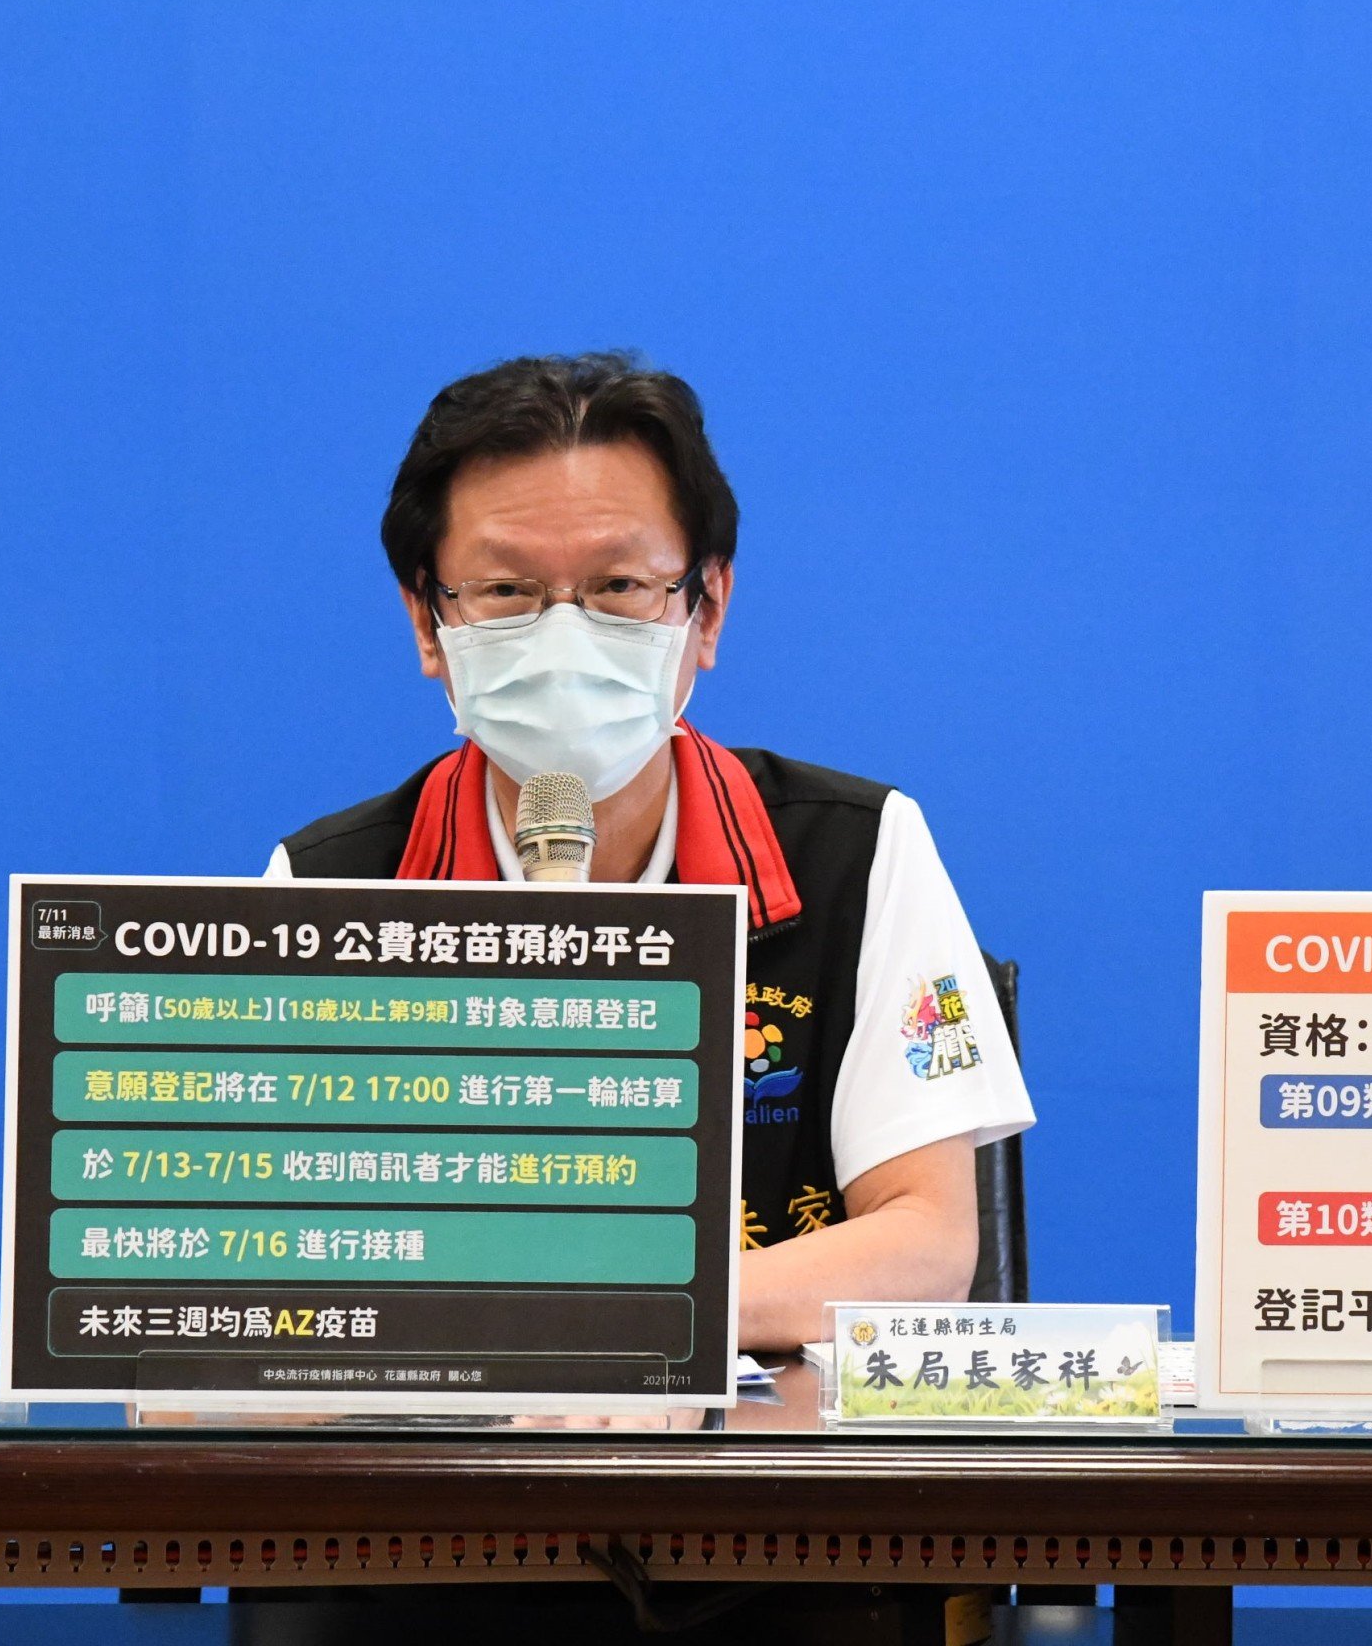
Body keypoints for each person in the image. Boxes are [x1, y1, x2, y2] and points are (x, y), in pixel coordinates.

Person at [269, 353, 1033, 1351]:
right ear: (428, 621)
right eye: (505, 589)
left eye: (619, 585)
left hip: (753, 1444)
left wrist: (620, 1315)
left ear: (705, 609)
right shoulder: (326, 892)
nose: (563, 637)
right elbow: (261, 1279)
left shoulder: (855, 852)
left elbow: (926, 1244)